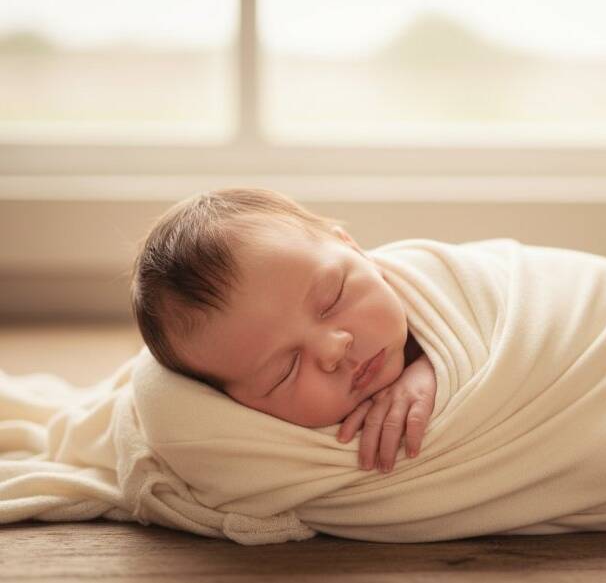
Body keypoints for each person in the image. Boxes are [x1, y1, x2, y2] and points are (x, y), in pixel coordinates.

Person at [129, 187, 437, 475]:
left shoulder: (436, 280)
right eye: (286, 370)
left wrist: (436, 365)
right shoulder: (272, 461)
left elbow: (468, 306)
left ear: (353, 249)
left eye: (332, 300)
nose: (333, 350)